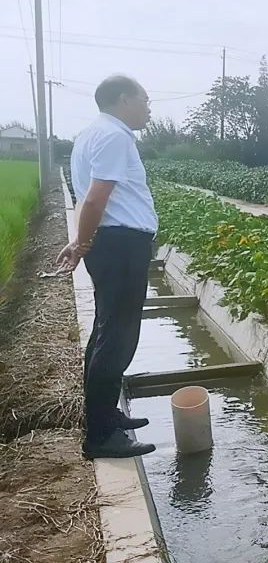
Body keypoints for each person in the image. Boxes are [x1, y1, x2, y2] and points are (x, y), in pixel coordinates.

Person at [59, 75, 157, 459]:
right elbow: (96, 199)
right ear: (123, 99)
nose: (149, 108)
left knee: (106, 331)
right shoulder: (115, 136)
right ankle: (101, 436)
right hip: (121, 245)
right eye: (144, 99)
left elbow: (87, 198)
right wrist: (81, 243)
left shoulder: (90, 135)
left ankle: (104, 416)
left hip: (111, 244)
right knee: (118, 337)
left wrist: (82, 242)